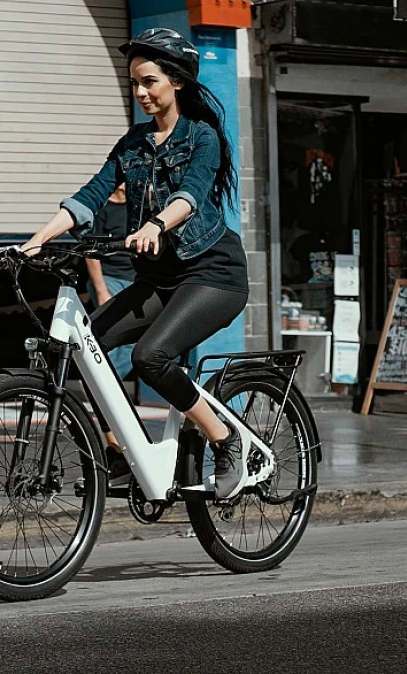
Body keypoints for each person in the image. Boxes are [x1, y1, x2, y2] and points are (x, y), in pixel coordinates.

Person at [22, 28, 249, 501]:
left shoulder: (202, 137)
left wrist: (155, 226)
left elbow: (190, 195)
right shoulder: (133, 143)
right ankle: (121, 452)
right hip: (161, 279)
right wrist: (38, 238)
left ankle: (225, 441)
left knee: (150, 358)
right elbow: (90, 195)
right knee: (84, 350)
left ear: (177, 81)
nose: (142, 93)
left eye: (150, 82)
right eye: (135, 85)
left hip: (212, 275)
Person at [85, 184, 135, 382]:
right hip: (109, 278)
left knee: (133, 338)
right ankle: (100, 385)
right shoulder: (102, 210)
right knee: (110, 333)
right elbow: (91, 253)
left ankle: (105, 385)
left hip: (134, 279)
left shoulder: (136, 207)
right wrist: (101, 290)